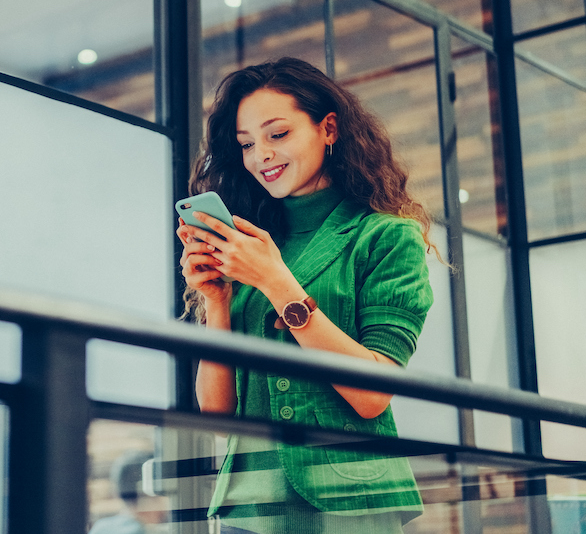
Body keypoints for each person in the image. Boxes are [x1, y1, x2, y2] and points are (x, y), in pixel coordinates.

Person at [176, 57, 436, 534]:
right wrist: (216, 301)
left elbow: (373, 395)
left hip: (352, 499)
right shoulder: (249, 244)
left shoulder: (385, 237)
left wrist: (276, 283)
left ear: (329, 129)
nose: (261, 156)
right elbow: (218, 417)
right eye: (247, 145)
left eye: (278, 135)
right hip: (250, 504)